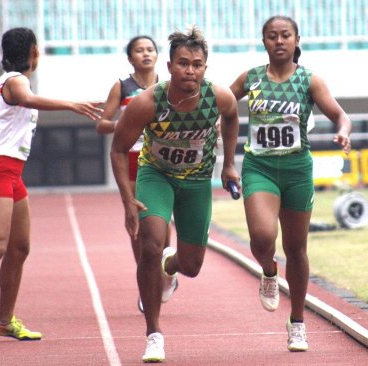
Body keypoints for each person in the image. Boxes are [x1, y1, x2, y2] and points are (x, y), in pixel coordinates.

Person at [0, 27, 103, 347]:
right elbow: (25, 97)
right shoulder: (15, 81)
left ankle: (5, 320)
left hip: (13, 173)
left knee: (19, 248)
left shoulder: (10, 81)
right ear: (34, 53)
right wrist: (71, 105)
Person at [111, 26, 240, 362]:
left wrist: (228, 165)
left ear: (204, 69)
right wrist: (127, 198)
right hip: (157, 176)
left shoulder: (219, 96)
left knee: (193, 266)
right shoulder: (148, 101)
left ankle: (173, 264)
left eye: (197, 64)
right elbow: (117, 148)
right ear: (169, 67)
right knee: (150, 246)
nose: (190, 70)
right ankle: (153, 333)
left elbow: (231, 118)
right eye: (183, 63)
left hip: (197, 183)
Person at [229, 15, 352, 352]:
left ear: (297, 40)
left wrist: (342, 130)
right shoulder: (251, 78)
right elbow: (221, 104)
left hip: (297, 168)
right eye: (272, 36)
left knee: (296, 248)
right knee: (262, 237)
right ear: (264, 41)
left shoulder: (309, 81)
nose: (279, 41)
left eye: (285, 35)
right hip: (260, 167)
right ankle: (269, 271)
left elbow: (340, 115)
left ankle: (297, 322)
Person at [95, 35, 172, 313]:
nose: (146, 54)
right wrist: (125, 124)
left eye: (150, 49)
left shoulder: (168, 85)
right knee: (138, 223)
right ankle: (146, 284)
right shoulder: (122, 86)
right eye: (139, 51)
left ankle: (165, 271)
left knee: (164, 224)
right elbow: (103, 123)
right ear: (131, 58)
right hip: (131, 159)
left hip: (164, 158)